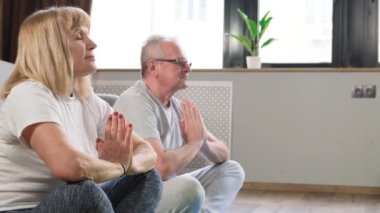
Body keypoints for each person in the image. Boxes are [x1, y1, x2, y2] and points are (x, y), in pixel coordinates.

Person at [0, 7, 162, 212]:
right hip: (23, 209)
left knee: (147, 176)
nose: (92, 44)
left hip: (71, 203)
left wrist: (126, 165)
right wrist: (117, 167)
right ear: (52, 47)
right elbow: (68, 167)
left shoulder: (89, 102)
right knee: (84, 192)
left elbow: (147, 152)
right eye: (79, 36)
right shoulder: (28, 94)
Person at [113, 35, 245, 213]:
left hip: (166, 188)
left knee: (232, 170)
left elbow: (223, 154)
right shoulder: (136, 102)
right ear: (153, 66)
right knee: (189, 187)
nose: (187, 68)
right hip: (140, 196)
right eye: (179, 62)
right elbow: (160, 168)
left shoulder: (177, 106)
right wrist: (194, 143)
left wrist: (203, 141)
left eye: (187, 63)